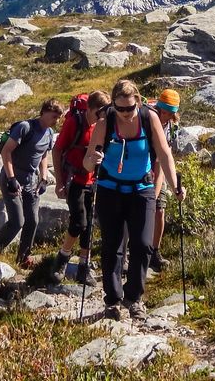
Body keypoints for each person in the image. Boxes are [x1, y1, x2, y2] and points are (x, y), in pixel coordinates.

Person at [84, 79, 184, 321]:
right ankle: (112, 300)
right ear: (113, 106)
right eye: (120, 108)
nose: (126, 113)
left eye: (130, 108)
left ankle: (134, 297)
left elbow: (164, 154)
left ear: (137, 102)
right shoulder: (105, 122)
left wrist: (175, 187)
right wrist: (93, 159)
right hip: (110, 189)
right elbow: (87, 162)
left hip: (142, 188)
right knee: (113, 245)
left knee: (143, 244)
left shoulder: (148, 119)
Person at [0, 99, 62, 268]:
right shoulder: (25, 128)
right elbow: (6, 151)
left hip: (31, 181)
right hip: (12, 178)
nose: (56, 120)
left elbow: (43, 155)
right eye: (54, 116)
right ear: (44, 112)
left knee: (32, 220)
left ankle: (23, 257)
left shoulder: (49, 133)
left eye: (58, 117)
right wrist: (11, 179)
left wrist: (43, 178)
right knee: (17, 221)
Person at [50, 90, 110, 285]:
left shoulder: (102, 126)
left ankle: (84, 267)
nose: (101, 117)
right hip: (74, 178)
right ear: (90, 108)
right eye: (99, 112)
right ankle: (62, 259)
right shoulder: (74, 123)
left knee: (89, 225)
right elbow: (57, 149)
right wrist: (59, 182)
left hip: (95, 180)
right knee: (79, 222)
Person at [149, 89, 180, 272]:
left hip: (158, 170)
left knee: (159, 210)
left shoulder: (171, 126)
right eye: (166, 112)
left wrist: (155, 191)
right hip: (140, 169)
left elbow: (162, 160)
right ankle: (129, 252)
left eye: (171, 113)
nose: (168, 116)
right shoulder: (147, 120)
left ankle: (154, 252)